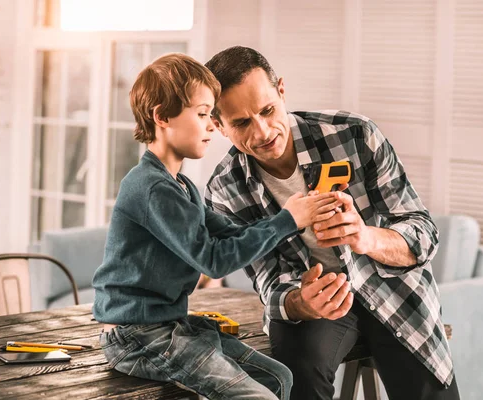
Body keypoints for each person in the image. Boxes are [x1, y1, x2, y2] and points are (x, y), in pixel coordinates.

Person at [204, 46, 461, 400]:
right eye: (242, 123)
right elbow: (268, 280)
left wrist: (365, 237)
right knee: (295, 376)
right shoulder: (224, 190)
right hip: (318, 302)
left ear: (281, 90)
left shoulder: (355, 135)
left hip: (393, 290)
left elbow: (423, 234)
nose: (263, 132)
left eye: (267, 110)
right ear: (218, 126)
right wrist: (300, 302)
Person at [91, 53, 343, 400]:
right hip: (136, 336)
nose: (212, 126)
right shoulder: (150, 187)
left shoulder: (181, 186)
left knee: (280, 378)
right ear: (162, 117)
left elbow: (231, 233)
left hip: (169, 326)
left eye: (211, 115)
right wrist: (288, 219)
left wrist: (295, 217)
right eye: (202, 114)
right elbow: (213, 260)